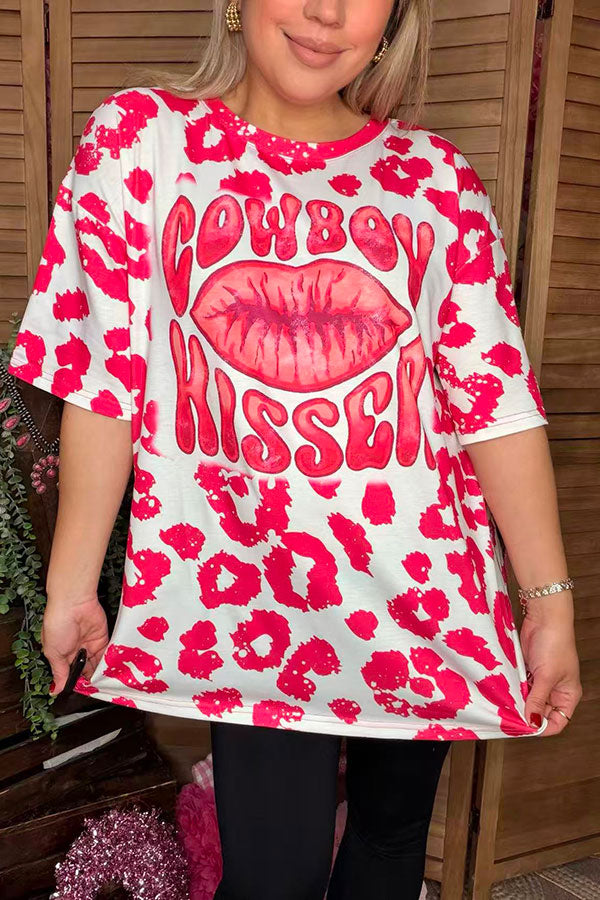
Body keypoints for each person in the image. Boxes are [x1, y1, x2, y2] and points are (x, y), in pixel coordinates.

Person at [7, 1, 582, 898]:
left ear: (393, 17)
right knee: (272, 878)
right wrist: (72, 585)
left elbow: (495, 404)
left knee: (390, 843)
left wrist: (548, 604)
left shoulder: (436, 180)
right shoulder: (140, 143)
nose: (326, 11)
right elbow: (104, 377)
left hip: (424, 594)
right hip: (248, 597)